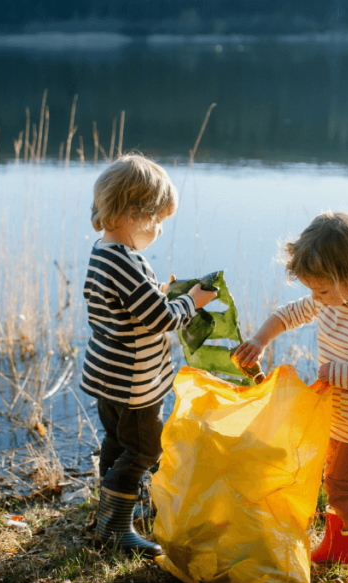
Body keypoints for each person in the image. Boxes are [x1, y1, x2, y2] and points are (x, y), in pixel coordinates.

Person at [232, 211, 348, 583]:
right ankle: (338, 547)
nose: (316, 299)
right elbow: (289, 314)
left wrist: (339, 372)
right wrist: (261, 340)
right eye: (312, 291)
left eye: (322, 291)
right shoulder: (329, 301)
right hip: (338, 412)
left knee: (345, 487)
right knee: (330, 476)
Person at [81, 154, 218, 557]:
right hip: (134, 380)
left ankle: (109, 510)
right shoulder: (125, 260)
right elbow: (160, 320)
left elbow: (127, 303)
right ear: (132, 213)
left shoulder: (104, 251)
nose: (159, 230)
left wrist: (157, 287)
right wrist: (192, 301)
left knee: (117, 441)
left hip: (108, 373)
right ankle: (116, 528)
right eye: (157, 220)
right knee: (144, 449)